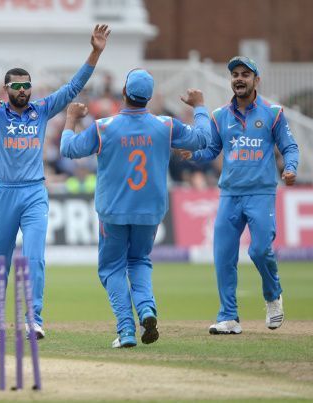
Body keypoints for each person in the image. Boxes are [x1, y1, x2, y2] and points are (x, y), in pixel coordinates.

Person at [0, 15, 110, 340]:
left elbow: (73, 88)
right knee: (0, 260)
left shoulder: (41, 110)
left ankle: (34, 319)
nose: (23, 90)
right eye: (17, 86)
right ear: (7, 89)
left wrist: (94, 53)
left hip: (35, 192)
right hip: (5, 193)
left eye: (27, 85)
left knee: (35, 257)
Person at [60, 69, 212, 348]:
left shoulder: (103, 126)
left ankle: (126, 328)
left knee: (111, 268)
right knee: (139, 261)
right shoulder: (165, 125)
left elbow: (68, 149)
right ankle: (146, 309)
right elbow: (203, 138)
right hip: (150, 211)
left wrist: (71, 119)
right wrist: (200, 106)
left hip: (114, 211)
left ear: (125, 93)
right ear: (149, 97)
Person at [179, 56, 299, 335]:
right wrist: (194, 155)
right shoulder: (220, 116)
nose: (239, 78)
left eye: (245, 74)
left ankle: (273, 295)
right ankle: (229, 317)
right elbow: (212, 150)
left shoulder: (273, 113)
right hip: (230, 194)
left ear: (257, 80)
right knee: (223, 256)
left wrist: (290, 169)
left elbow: (290, 147)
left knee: (259, 250)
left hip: (260, 192)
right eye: (235, 74)